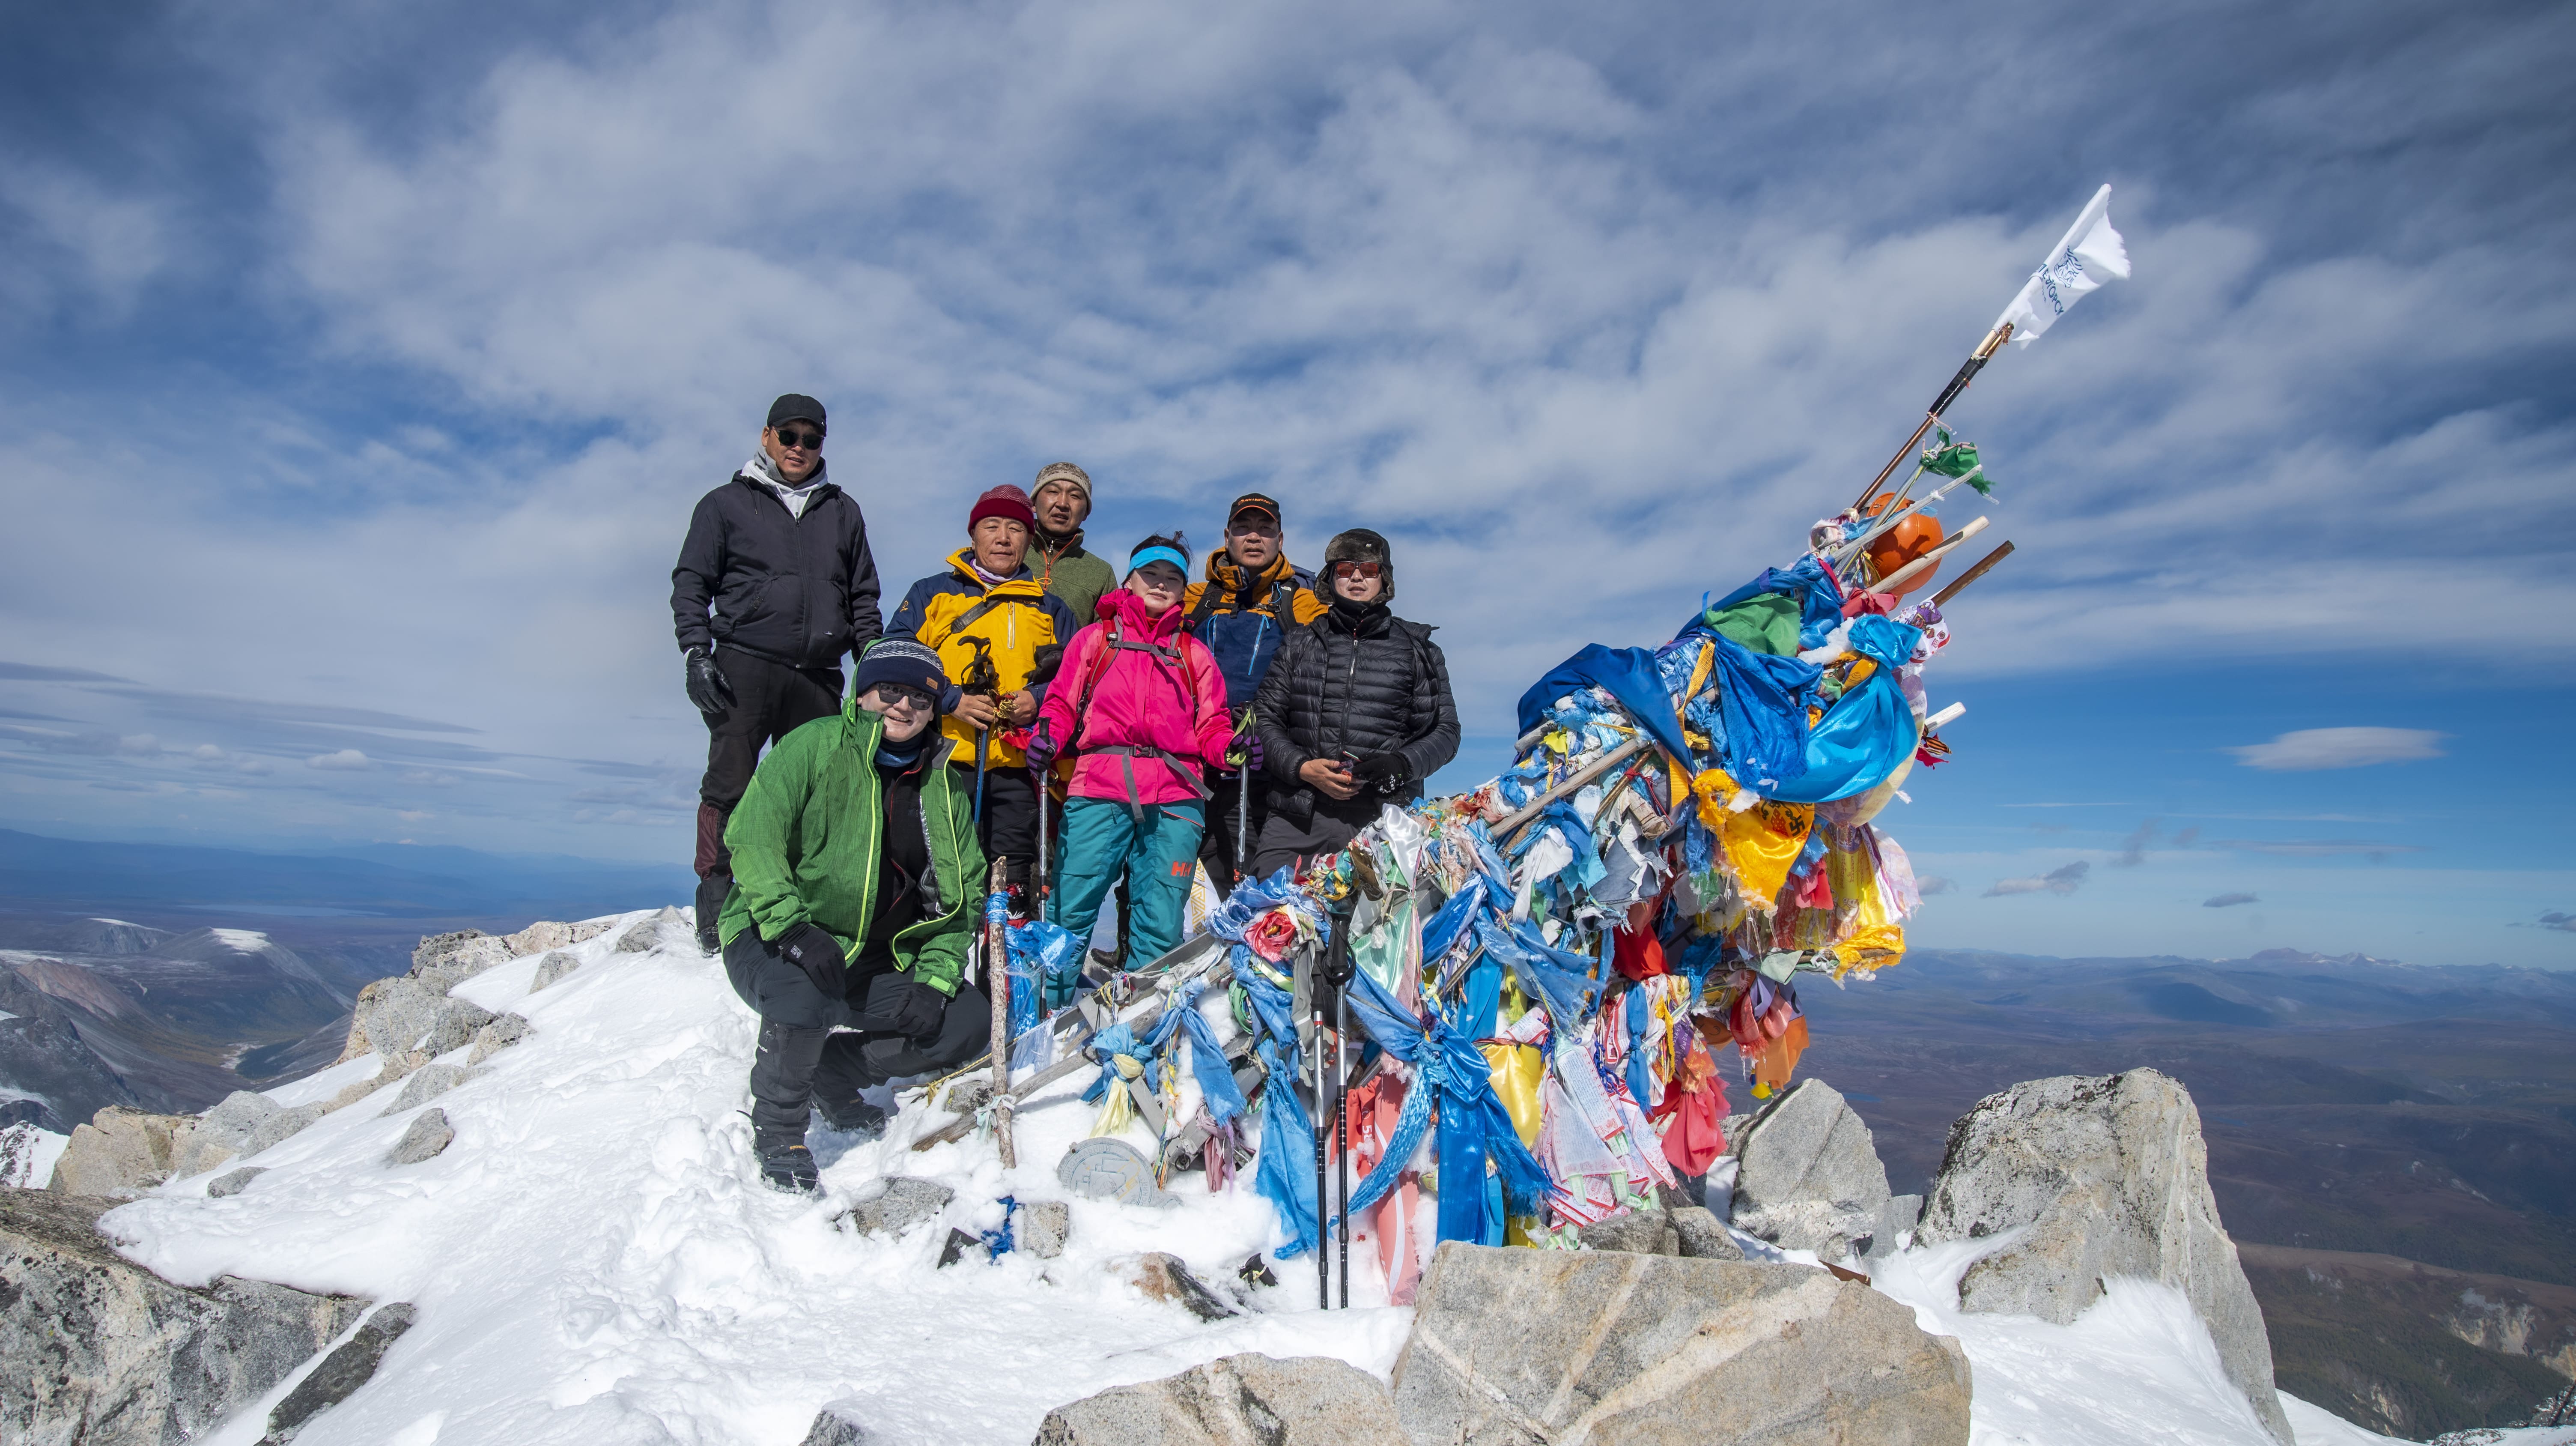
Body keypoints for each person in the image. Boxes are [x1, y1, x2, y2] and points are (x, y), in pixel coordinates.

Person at [716, 638, 990, 1194]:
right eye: (891, 689)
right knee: (804, 992)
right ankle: (779, 1129)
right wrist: (792, 928)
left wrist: (936, 979)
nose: (904, 706)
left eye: (920, 696)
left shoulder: (942, 784)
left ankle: (835, 1070)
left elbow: (960, 901)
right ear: (864, 692)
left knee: (965, 1020)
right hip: (773, 939)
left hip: (871, 961)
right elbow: (753, 836)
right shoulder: (814, 746)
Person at [672, 393, 883, 952]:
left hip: (819, 673)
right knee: (730, 783)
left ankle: (795, 897)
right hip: (745, 662)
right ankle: (716, 900)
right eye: (789, 436)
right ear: (766, 436)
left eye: (811, 439)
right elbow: (692, 582)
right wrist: (696, 652)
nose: (799, 448)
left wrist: (874, 664)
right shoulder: (726, 504)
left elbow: (863, 596)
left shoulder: (843, 512)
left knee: (813, 791)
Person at [1029, 536, 1234, 970]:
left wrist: (1230, 750)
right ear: (1130, 579)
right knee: (1071, 910)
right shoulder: (1094, 639)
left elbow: (1213, 723)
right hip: (1100, 784)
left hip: (1177, 793)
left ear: (1183, 590)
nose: (1161, 584)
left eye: (1173, 578)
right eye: (1151, 574)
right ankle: (1050, 1018)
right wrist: (1048, 736)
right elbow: (1062, 702)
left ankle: (1142, 1026)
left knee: (1160, 921)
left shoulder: (1193, 653)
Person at [887, 484, 1080, 911]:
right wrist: (951, 699)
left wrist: (1037, 697)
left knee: (1013, 875)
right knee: (942, 863)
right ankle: (940, 964)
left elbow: (1077, 677)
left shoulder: (1051, 608)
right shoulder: (931, 593)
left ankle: (1004, 970)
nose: (1003, 537)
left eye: (1016, 528)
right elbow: (894, 659)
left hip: (1017, 765)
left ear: (1029, 541)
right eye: (992, 526)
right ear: (973, 535)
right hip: (944, 756)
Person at [1249, 528, 1459, 881]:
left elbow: (1446, 732)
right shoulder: (1300, 643)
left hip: (1381, 819)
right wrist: (1303, 768)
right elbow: (1263, 721)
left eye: (1370, 569)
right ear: (1330, 579)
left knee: (1371, 933)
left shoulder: (1418, 650)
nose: (1358, 576)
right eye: (1345, 569)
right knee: (1267, 924)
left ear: (1385, 579)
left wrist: (1402, 764)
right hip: (1297, 815)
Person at [1180, 493, 1326, 894]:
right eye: (1244, 529)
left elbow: (1340, 645)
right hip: (1195, 752)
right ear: (1228, 536)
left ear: (1281, 539)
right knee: (1187, 862)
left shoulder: (1301, 602)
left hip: (1267, 754)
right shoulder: (1195, 597)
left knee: (1253, 860)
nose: (1254, 538)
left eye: (1265, 530)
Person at [1029, 462, 1115, 625]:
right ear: (1033, 503)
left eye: (1075, 496)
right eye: (1053, 492)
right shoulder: (1009, 552)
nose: (1062, 504)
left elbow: (1107, 640)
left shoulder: (1102, 573)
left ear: (1086, 513)